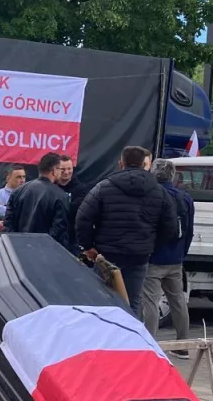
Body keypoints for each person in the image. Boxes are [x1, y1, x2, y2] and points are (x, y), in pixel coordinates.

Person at [76, 146, 179, 321]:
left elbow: (83, 218)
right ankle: (131, 342)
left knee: (101, 300)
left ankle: (102, 341)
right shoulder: (159, 191)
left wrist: (89, 246)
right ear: (144, 164)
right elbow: (171, 228)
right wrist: (150, 245)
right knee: (133, 301)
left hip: (106, 254)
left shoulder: (104, 187)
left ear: (120, 163)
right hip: (139, 256)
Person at [142, 159, 194, 349]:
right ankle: (183, 345)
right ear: (173, 176)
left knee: (150, 302)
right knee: (178, 301)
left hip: (154, 258)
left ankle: (149, 345)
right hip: (176, 258)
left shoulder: (151, 195)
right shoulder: (185, 198)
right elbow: (189, 230)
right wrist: (182, 253)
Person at [5, 153, 71, 247]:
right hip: (45, 252)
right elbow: (59, 230)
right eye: (61, 169)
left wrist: (17, 242)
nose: (62, 172)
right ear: (54, 170)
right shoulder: (61, 196)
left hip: (19, 249)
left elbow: (8, 222)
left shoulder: (18, 191)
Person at [56, 157, 89, 247]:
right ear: (57, 169)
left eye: (69, 169)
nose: (66, 172)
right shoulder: (50, 187)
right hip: (52, 236)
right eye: (63, 169)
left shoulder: (81, 189)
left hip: (72, 238)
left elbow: (77, 210)